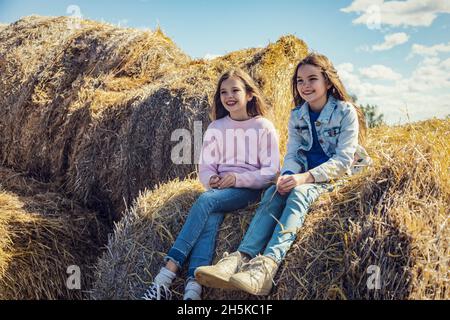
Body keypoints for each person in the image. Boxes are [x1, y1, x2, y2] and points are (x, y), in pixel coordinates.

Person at [195, 53, 371, 296]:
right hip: (304, 173)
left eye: (312, 79)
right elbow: (293, 154)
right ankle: (240, 257)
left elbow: (342, 161)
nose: (305, 86)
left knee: (298, 194)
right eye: (300, 81)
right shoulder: (297, 115)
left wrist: (302, 179)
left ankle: (267, 267)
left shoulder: (345, 111)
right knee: (274, 191)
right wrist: (287, 175)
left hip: (338, 175)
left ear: (328, 82)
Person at [141, 68, 280, 300]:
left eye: (235, 90)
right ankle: (193, 289)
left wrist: (237, 179)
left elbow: (270, 171)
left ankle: (166, 275)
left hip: (249, 190)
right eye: (224, 92)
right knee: (211, 216)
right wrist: (211, 180)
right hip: (220, 190)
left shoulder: (262, 126)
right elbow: (206, 166)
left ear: (249, 95)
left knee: (205, 202)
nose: (229, 96)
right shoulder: (216, 127)